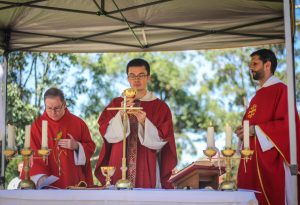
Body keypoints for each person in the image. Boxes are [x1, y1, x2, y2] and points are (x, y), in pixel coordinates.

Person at [95, 58, 177, 188]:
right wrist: (121, 115)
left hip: (146, 164)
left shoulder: (160, 107)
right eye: (132, 76)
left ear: (148, 78)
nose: (136, 80)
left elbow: (163, 140)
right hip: (118, 164)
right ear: (128, 78)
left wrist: (145, 123)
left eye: (141, 75)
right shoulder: (116, 104)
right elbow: (107, 134)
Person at [235, 49, 300, 205]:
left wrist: (255, 130)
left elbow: (287, 125)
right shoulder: (256, 96)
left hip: (271, 161)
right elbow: (250, 124)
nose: (251, 67)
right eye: (250, 64)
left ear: (267, 65)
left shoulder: (282, 90)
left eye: (255, 63)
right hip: (251, 160)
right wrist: (242, 132)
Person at [22, 88, 96, 189]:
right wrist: (40, 177)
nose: (53, 112)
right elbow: (32, 155)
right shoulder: (37, 126)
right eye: (49, 108)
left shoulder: (78, 123)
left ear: (64, 104)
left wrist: (77, 146)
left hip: (73, 182)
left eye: (57, 108)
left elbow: (90, 147)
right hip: (47, 185)